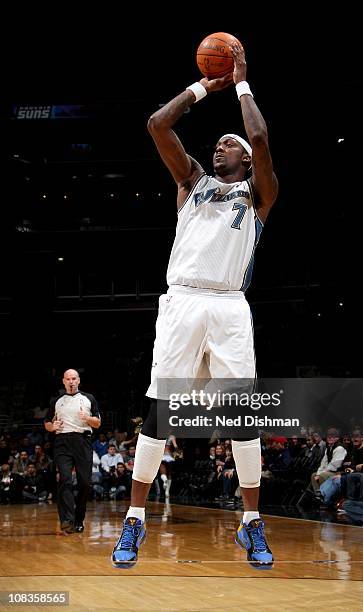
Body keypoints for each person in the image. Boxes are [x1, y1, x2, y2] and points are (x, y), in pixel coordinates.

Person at [112, 42, 278, 569]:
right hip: (183, 301)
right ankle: (134, 522)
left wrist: (243, 81)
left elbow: (258, 134)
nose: (220, 147)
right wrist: (206, 86)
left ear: (246, 161)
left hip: (229, 306)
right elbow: (158, 124)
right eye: (218, 144)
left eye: (228, 145)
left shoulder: (259, 194)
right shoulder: (191, 183)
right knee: (160, 413)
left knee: (241, 418)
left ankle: (251, 524)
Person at [44, 369, 101, 533]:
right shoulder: (57, 400)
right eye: (68, 379)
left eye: (73, 378)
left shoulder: (88, 398)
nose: (71, 381)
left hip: (83, 441)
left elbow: (97, 423)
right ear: (63, 381)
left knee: (85, 483)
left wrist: (88, 418)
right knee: (65, 479)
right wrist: (51, 427)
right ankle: (66, 520)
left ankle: (78, 518)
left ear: (78, 380)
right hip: (62, 442)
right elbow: (47, 422)